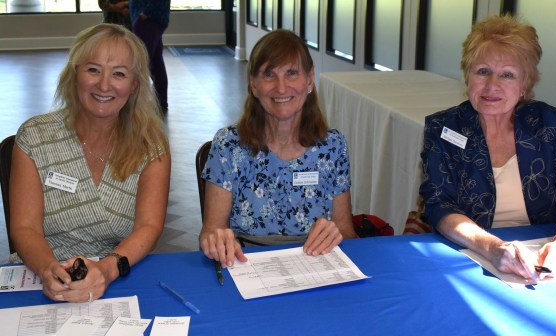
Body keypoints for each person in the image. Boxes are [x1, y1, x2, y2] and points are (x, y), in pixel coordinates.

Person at [419, 15, 556, 282]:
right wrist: (494, 249)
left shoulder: (547, 124)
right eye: (482, 71)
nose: (492, 85)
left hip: (539, 260)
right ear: (467, 75)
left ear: (525, 85)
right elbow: (439, 205)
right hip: (469, 258)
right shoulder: (444, 128)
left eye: (507, 74)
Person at [9, 23, 171, 303]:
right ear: (74, 75)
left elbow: (149, 227)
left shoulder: (151, 147)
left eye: (119, 74)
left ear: (134, 85)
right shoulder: (34, 137)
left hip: (119, 271)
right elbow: (25, 228)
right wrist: (49, 270)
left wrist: (106, 270)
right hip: (39, 274)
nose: (104, 85)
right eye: (93, 70)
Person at [199, 29, 357, 267]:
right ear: (253, 84)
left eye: (292, 73)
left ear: (310, 79)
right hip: (245, 266)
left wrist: (336, 234)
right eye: (269, 75)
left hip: (316, 266)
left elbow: (347, 233)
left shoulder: (332, 147)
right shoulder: (228, 146)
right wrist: (215, 241)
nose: (281, 88)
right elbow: (211, 232)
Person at [130, 0, 170, 111]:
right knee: (156, 63)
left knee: (141, 61)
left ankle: (137, 102)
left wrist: (145, 14)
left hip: (148, 19)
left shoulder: (147, 18)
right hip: (150, 19)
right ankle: (161, 101)